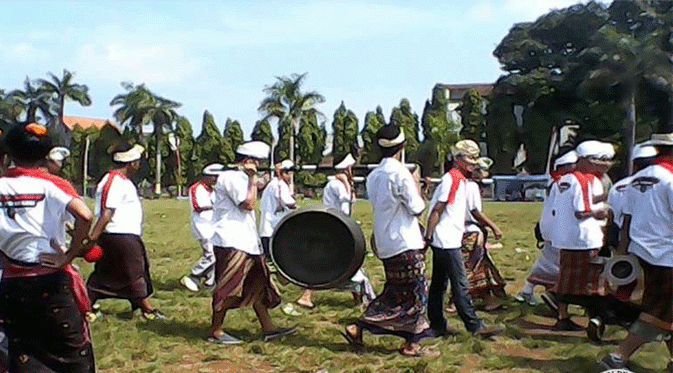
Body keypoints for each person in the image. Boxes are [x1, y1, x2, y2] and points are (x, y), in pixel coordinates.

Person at [0, 123, 95, 372]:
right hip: (50, 281)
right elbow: (85, 215)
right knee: (72, 353)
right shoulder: (53, 184)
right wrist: (70, 255)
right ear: (45, 154)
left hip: (12, 283)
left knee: (23, 351)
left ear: (9, 153)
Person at [342, 125, 432, 357]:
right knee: (416, 292)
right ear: (402, 147)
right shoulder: (400, 173)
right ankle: (411, 343)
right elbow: (417, 207)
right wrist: (418, 185)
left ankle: (360, 327)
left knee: (395, 291)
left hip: (385, 242)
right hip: (405, 241)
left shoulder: (374, 176)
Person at [208, 141, 296, 345]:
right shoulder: (230, 177)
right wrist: (253, 178)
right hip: (231, 241)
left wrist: (275, 174)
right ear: (248, 161)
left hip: (247, 241)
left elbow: (262, 187)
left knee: (258, 284)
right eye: (258, 162)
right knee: (228, 287)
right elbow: (248, 204)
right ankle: (216, 330)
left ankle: (269, 328)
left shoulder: (242, 177)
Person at [600, 133, 673, 371]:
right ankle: (618, 357)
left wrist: (622, 253)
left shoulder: (638, 178)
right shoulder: (671, 178)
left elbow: (627, 220)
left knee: (666, 309)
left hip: (642, 251)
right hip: (668, 253)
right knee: (660, 311)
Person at [425, 139, 503, 338]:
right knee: (460, 284)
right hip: (446, 240)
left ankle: (437, 324)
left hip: (445, 239)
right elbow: (437, 209)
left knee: (439, 285)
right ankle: (474, 326)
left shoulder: (459, 180)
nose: (473, 163)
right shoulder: (452, 179)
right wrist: (428, 235)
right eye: (470, 158)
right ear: (458, 159)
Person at [86, 143, 164, 321]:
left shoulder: (121, 181)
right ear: (131, 163)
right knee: (133, 273)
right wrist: (92, 239)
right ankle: (147, 310)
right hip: (118, 236)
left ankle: (87, 304)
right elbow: (107, 213)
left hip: (125, 235)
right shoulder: (113, 181)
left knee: (116, 273)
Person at [296, 154, 376, 309]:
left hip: (333, 227)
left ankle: (359, 299)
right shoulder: (336, 185)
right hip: (336, 229)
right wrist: (346, 183)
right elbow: (346, 206)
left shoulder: (335, 184)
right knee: (346, 263)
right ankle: (365, 299)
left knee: (333, 263)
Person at [548, 140, 613, 331]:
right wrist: (602, 212)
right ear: (589, 161)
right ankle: (595, 319)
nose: (605, 164)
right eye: (601, 160)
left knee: (567, 277)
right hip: (584, 238)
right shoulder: (587, 180)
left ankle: (563, 315)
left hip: (565, 238)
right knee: (592, 282)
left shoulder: (564, 179)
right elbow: (582, 211)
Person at [515, 150, 577, 308]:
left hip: (551, 227)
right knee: (559, 264)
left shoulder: (557, 182)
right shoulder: (563, 183)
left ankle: (529, 290)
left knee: (549, 262)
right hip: (557, 228)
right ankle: (553, 294)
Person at [454, 157, 505, 312]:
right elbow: (475, 211)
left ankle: (460, 300)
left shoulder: (460, 184)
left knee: (468, 267)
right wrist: (494, 227)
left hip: (459, 230)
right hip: (471, 232)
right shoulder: (472, 187)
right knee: (474, 268)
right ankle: (466, 300)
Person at [180, 164, 222, 292]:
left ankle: (210, 282)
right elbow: (198, 206)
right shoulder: (196, 188)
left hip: (213, 225)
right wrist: (215, 207)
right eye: (214, 177)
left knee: (216, 253)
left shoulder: (213, 190)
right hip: (202, 225)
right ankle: (194, 275)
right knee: (210, 254)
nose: (216, 180)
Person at [259, 159, 297, 258]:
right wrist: (296, 206)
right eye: (287, 173)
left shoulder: (274, 184)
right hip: (272, 229)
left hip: (269, 227)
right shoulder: (279, 185)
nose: (289, 177)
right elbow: (288, 202)